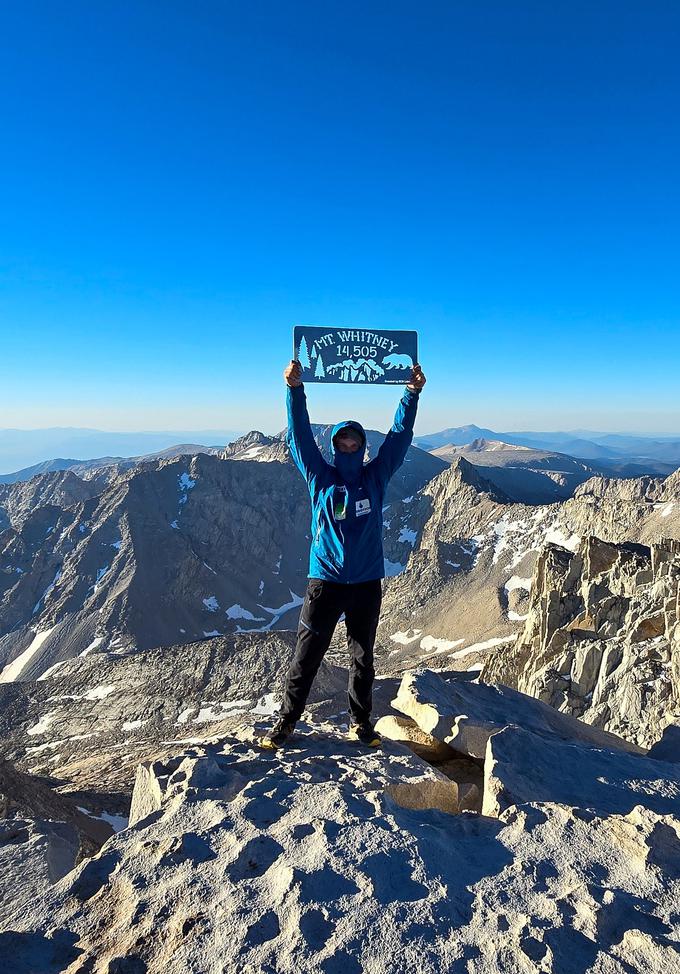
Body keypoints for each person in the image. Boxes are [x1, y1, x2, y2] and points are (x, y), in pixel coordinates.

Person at [259, 357, 426, 749]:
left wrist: (411, 394)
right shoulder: (320, 477)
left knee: (363, 659)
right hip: (326, 581)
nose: (349, 447)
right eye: (342, 443)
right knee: (307, 655)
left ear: (362, 446)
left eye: (354, 443)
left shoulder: (375, 477)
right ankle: (285, 723)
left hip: (366, 582)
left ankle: (361, 724)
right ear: (334, 446)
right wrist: (294, 390)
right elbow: (298, 438)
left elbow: (399, 438)